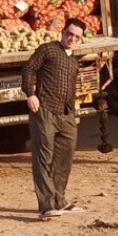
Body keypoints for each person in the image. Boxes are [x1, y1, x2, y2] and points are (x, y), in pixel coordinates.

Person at [21, 17, 88, 220]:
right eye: (70, 34)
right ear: (63, 32)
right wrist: (30, 94)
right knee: (44, 157)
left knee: (65, 156)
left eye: (77, 36)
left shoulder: (73, 61)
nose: (72, 38)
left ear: (81, 39)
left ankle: (60, 200)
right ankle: (46, 205)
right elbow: (28, 68)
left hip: (66, 114)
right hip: (45, 111)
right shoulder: (48, 50)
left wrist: (73, 111)